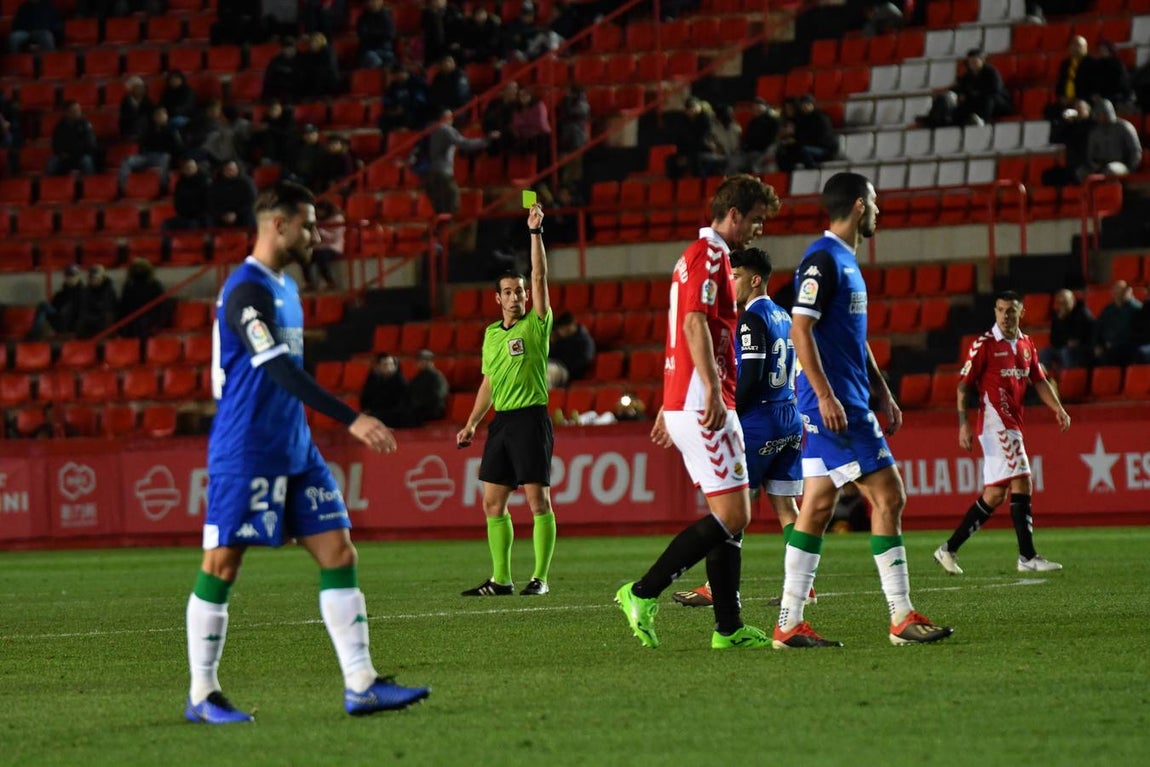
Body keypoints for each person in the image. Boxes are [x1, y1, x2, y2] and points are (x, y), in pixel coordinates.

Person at [184, 181, 428, 725]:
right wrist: (352, 417)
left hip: (295, 448)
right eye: (309, 225)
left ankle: (361, 685)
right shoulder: (246, 289)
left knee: (339, 552)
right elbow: (274, 367)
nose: (316, 235)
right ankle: (202, 693)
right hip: (247, 449)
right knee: (222, 565)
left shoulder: (288, 289)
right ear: (279, 224)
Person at [775, 171, 952, 648]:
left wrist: (883, 389)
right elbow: (799, 330)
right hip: (834, 404)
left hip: (846, 396)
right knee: (889, 496)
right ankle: (901, 616)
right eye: (873, 203)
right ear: (857, 206)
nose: (878, 211)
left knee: (816, 507)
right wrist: (828, 395)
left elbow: (851, 339)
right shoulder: (823, 260)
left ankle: (788, 623)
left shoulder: (845, 262)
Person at [614, 174, 779, 651]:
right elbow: (691, 323)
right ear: (733, 215)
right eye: (755, 220)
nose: (758, 230)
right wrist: (706, 390)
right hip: (706, 399)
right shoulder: (709, 257)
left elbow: (681, 330)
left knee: (728, 515)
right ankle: (642, 592)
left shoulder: (696, 258)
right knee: (734, 513)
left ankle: (727, 628)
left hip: (689, 398)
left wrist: (673, 400)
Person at [672, 246, 814, 611]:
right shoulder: (782, 314)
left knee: (730, 507)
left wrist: (733, 411)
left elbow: (749, 377)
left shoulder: (752, 318)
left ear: (754, 279)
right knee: (787, 507)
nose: (728, 283)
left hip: (760, 420)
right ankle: (805, 585)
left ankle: (713, 586)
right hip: (789, 416)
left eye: (734, 277)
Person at [456, 204, 555, 597]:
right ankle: (501, 579)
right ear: (497, 298)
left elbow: (541, 274)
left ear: (528, 296)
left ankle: (541, 578)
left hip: (531, 419)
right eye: (508, 292)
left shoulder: (537, 324)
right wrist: (472, 423)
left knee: (537, 503)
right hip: (502, 423)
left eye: (520, 291)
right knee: (492, 504)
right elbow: (488, 382)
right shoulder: (491, 335)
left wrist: (535, 233)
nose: (516, 297)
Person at [933, 291, 1071, 577]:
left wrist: (1058, 408)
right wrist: (963, 423)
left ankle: (949, 549)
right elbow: (963, 387)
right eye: (1001, 310)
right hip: (996, 424)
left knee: (995, 495)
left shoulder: (1026, 344)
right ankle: (1027, 556)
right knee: (1023, 481)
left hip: (1013, 425)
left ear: (1021, 312)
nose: (1006, 315)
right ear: (995, 312)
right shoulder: (984, 345)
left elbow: (1039, 380)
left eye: (1011, 310)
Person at [422, 110, 496, 215]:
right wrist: (487, 140)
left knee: (440, 205)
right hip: (443, 171)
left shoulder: (431, 129)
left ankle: (441, 228)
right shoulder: (446, 130)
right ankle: (451, 227)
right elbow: (464, 144)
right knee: (452, 202)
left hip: (430, 171)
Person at [1078, 99, 1142, 182]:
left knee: (1110, 169)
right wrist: (1094, 165)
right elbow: (1090, 154)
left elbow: (1135, 150)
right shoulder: (1095, 132)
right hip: (1100, 165)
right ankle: (1091, 193)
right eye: (1097, 114)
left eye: (1100, 114)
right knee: (1080, 172)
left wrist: (1130, 168)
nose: (1099, 117)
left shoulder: (1124, 127)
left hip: (1121, 164)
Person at [1039, 289, 1094, 372]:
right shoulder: (1058, 316)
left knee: (1066, 352)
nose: (1062, 306)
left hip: (1081, 348)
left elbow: (1080, 336)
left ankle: (1068, 377)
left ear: (1073, 301)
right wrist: (1061, 321)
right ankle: (1046, 379)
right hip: (1062, 346)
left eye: (1065, 302)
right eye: (1060, 303)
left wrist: (1070, 341)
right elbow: (1053, 338)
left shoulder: (1082, 313)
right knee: (1044, 352)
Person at [118, 257, 171, 338]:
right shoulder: (129, 285)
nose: (139, 269)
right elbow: (124, 306)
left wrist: (156, 322)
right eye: (136, 267)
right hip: (132, 322)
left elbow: (162, 305)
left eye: (141, 267)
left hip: (150, 321)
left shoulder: (154, 284)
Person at [1093, 280, 1143, 366]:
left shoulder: (1137, 309)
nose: (1117, 293)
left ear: (1129, 292)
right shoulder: (1108, 309)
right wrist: (1098, 344)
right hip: (1108, 346)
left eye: (1122, 291)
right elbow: (1098, 328)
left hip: (1127, 346)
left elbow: (1137, 333)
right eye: (1116, 291)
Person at [28, 264, 84, 340]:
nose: (70, 278)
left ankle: (36, 334)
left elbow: (84, 311)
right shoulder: (60, 294)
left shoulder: (84, 293)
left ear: (78, 276)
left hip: (74, 323)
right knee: (43, 305)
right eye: (68, 275)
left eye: (73, 275)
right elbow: (53, 309)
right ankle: (35, 334)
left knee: (69, 307)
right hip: (61, 321)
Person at [359, 352, 412, 427]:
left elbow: (402, 406)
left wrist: (376, 414)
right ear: (378, 366)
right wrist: (366, 409)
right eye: (385, 364)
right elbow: (366, 396)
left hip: (394, 416)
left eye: (391, 364)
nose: (389, 367)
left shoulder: (400, 381)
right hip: (376, 413)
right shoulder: (373, 378)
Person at [46, 101, 97, 176]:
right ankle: (52, 186)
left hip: (81, 156)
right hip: (65, 157)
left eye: (78, 110)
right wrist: (62, 153)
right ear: (67, 113)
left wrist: (76, 153)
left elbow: (90, 145)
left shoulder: (85, 125)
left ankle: (90, 185)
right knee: (52, 163)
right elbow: (56, 145)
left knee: (87, 161)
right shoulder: (60, 127)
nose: (78, 112)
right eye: (74, 110)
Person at [547, 311, 595, 388]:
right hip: (553, 364)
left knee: (545, 371)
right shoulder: (559, 339)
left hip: (566, 371)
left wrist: (564, 364)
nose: (561, 331)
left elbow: (584, 360)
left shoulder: (584, 341)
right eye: (561, 328)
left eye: (563, 328)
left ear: (572, 325)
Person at [305, 198, 343, 291]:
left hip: (333, 247)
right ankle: (309, 283)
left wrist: (320, 232)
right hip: (318, 247)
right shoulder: (316, 220)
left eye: (320, 211)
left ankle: (330, 282)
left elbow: (335, 237)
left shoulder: (338, 219)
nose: (318, 214)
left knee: (321, 257)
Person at [76, 264, 118, 338]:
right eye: (91, 278)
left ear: (102, 278)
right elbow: (83, 310)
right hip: (88, 329)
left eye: (96, 278)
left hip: (103, 329)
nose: (93, 280)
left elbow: (108, 311)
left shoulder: (108, 292)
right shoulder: (85, 292)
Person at [409, 349, 449, 423]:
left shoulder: (437, 377)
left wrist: (418, 404)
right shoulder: (417, 377)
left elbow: (438, 396)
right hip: (419, 409)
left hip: (433, 410)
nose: (422, 363)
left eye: (426, 360)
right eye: (420, 360)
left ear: (432, 362)